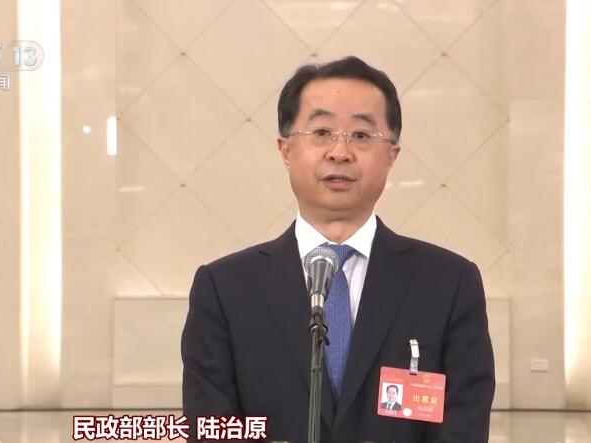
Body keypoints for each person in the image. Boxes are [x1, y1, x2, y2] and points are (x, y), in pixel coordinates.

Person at [181, 55, 495, 442]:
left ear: (392, 155)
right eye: (321, 132)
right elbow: (212, 428)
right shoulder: (224, 289)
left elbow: (464, 424)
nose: (340, 152)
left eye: (361, 135)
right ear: (286, 150)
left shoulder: (449, 283)